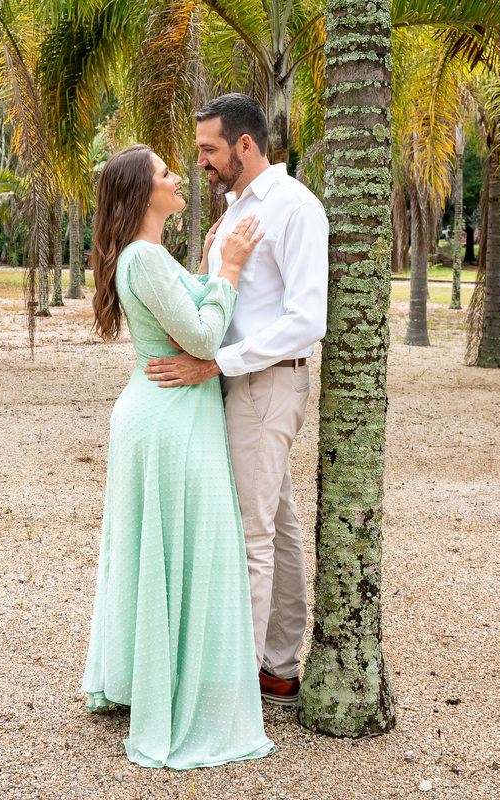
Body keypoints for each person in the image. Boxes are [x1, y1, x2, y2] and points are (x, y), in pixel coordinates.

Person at [81, 144, 275, 770]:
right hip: (169, 418)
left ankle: (150, 677)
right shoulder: (144, 259)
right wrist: (235, 271)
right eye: (166, 173)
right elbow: (200, 334)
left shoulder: (146, 258)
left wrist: (216, 257)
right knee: (186, 545)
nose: (179, 176)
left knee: (158, 547)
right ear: (143, 194)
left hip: (159, 411)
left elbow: (186, 297)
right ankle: (175, 692)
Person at [144, 94, 329, 707]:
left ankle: (234, 695)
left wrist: (216, 363)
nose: (200, 161)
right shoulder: (231, 214)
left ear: (245, 145)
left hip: (267, 383)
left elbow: (307, 319)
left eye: (209, 149)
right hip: (234, 381)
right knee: (275, 521)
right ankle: (277, 667)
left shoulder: (295, 208)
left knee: (251, 534)